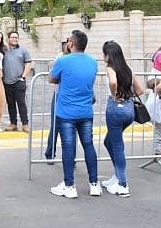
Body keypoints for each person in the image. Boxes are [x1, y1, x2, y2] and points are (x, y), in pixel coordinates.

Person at [48, 30, 101, 199]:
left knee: (68, 147)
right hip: (86, 111)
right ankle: (94, 184)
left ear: (71, 43)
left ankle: (69, 185)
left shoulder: (63, 60)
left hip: (66, 112)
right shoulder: (93, 62)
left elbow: (51, 79)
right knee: (88, 145)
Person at [100, 41, 144, 197]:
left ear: (108, 55)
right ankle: (117, 175)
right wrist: (127, 95)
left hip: (115, 110)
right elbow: (141, 89)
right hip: (129, 110)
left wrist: (114, 94)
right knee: (108, 141)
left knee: (117, 146)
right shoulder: (128, 69)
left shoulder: (110, 68)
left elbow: (113, 81)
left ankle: (122, 183)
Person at [2, 31, 32, 132]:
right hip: (6, 82)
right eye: (12, 37)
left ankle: (25, 124)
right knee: (10, 104)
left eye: (16, 37)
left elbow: (28, 64)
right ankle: (13, 124)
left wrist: (23, 77)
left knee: (21, 103)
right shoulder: (4, 50)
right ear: (8, 39)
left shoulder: (23, 50)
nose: (14, 39)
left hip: (19, 81)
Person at [45, 39, 70, 162]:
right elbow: (53, 76)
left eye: (68, 43)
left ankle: (71, 157)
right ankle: (50, 153)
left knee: (71, 127)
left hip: (69, 95)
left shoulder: (73, 58)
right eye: (64, 43)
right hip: (58, 93)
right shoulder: (60, 57)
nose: (66, 45)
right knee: (54, 124)